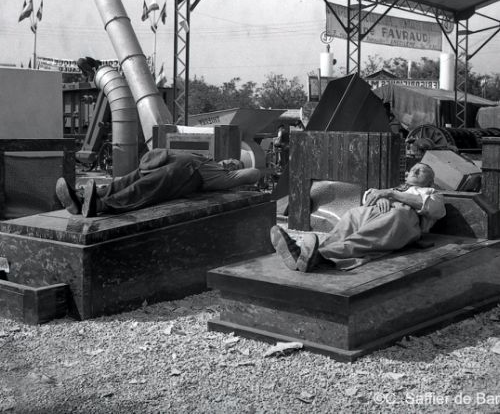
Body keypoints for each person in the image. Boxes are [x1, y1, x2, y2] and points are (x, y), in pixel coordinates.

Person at [270, 162, 446, 272]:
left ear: (430, 181)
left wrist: (391, 194)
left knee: (371, 232)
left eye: (422, 171)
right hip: (376, 212)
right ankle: (307, 255)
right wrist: (381, 198)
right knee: (352, 215)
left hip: (405, 219)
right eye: (414, 169)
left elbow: (434, 209)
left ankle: (318, 255)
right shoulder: (397, 188)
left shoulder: (432, 192)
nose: (415, 171)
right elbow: (369, 195)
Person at [56, 148, 260, 218]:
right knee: (130, 179)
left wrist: (240, 170)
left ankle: (101, 205)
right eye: (231, 159)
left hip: (185, 175)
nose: (230, 161)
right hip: (170, 164)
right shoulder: (210, 160)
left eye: (235, 164)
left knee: (144, 187)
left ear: (235, 170)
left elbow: (254, 173)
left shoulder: (223, 176)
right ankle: (80, 199)